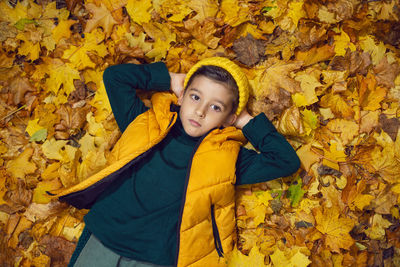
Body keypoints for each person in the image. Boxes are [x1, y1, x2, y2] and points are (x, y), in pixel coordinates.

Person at [50, 57, 300, 267]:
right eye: (195, 97)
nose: (200, 111)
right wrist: (168, 78)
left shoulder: (228, 159)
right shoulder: (143, 123)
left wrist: (245, 120)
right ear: (181, 96)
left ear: (228, 118)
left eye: (215, 107)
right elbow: (115, 77)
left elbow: (285, 161)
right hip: (104, 235)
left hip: (155, 257)